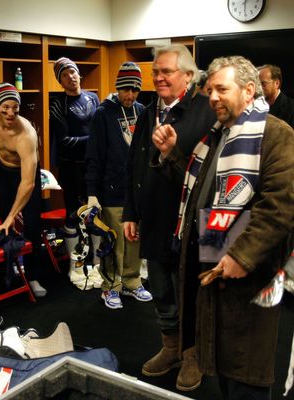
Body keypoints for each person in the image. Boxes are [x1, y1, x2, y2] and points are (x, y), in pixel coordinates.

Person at [153, 55, 294, 400]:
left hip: (250, 276)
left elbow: (280, 204)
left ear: (249, 91)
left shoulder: (276, 134)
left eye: (221, 89)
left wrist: (242, 257)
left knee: (246, 369)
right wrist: (173, 154)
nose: (212, 97)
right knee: (222, 360)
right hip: (213, 262)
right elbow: (203, 191)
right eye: (210, 89)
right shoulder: (218, 136)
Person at [123, 44, 215, 391]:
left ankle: (193, 355)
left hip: (191, 224)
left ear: (188, 76)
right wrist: (131, 211)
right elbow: (134, 162)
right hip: (155, 219)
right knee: (161, 289)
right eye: (156, 72)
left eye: (166, 72)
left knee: (190, 290)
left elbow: (206, 174)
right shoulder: (149, 112)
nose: (158, 77)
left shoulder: (207, 113)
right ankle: (171, 348)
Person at [85, 62, 152, 309]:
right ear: (117, 88)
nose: (130, 95)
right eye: (125, 89)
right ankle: (110, 287)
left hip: (136, 192)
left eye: (135, 90)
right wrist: (92, 194)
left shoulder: (143, 111)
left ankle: (132, 282)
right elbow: (94, 156)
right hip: (111, 191)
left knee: (133, 239)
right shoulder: (103, 114)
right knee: (114, 242)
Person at [0, 82, 46, 297]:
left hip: (26, 175)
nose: (10, 113)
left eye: (15, 108)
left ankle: (33, 276)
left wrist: (12, 216)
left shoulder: (26, 136)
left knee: (31, 225)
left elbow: (28, 183)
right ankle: (1, 270)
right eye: (6, 108)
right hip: (3, 170)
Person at [50, 57, 101, 289]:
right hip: (71, 167)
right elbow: (63, 141)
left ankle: (98, 266)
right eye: (64, 75)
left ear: (79, 73)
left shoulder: (93, 97)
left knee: (95, 214)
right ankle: (76, 266)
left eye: (72, 72)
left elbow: (101, 127)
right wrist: (95, 141)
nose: (70, 77)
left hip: (93, 165)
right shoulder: (58, 104)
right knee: (72, 216)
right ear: (60, 81)